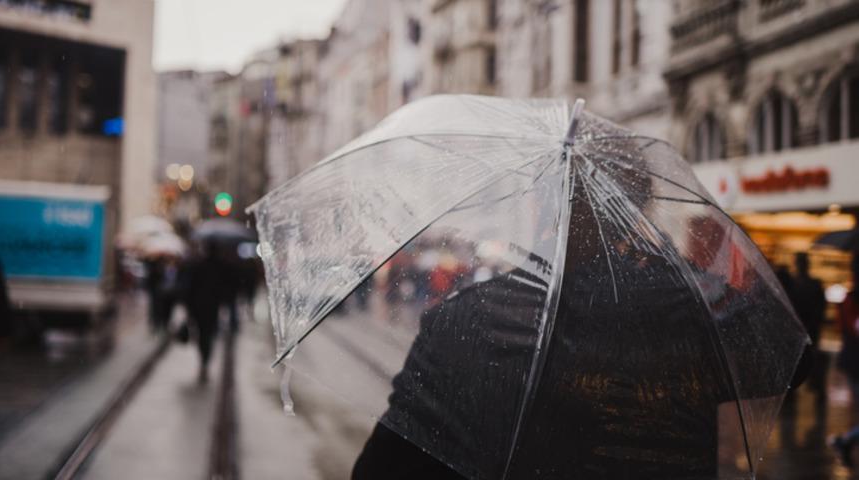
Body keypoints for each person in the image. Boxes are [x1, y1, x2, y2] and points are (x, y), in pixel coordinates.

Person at [352, 143, 801, 479]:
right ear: (636, 211)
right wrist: (678, 266)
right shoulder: (687, 312)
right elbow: (789, 356)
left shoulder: (464, 321)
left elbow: (381, 469)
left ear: (538, 207)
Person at [831, 255, 859, 466]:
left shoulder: (848, 299)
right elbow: (852, 327)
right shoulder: (851, 300)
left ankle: (845, 441)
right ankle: (844, 441)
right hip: (855, 363)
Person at [183, 240, 223, 383]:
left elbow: (190, 288)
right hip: (211, 307)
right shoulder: (219, 267)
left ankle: (204, 358)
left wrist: (188, 307)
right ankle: (205, 359)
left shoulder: (198, 266)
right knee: (208, 334)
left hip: (199, 307)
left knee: (202, 335)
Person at [791, 252, 828, 403]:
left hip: (806, 328)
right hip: (804, 328)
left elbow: (820, 307)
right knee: (802, 360)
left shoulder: (800, 284)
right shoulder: (804, 284)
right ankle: (815, 388)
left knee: (808, 359)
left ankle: (816, 388)